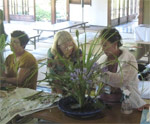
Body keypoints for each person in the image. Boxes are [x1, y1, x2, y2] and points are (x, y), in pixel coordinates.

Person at [98, 27, 149, 110]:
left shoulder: (129, 59)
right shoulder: (102, 59)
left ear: (114, 44)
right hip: (103, 101)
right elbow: (95, 80)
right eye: (101, 45)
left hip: (125, 104)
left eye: (105, 45)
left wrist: (102, 75)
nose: (102, 49)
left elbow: (122, 80)